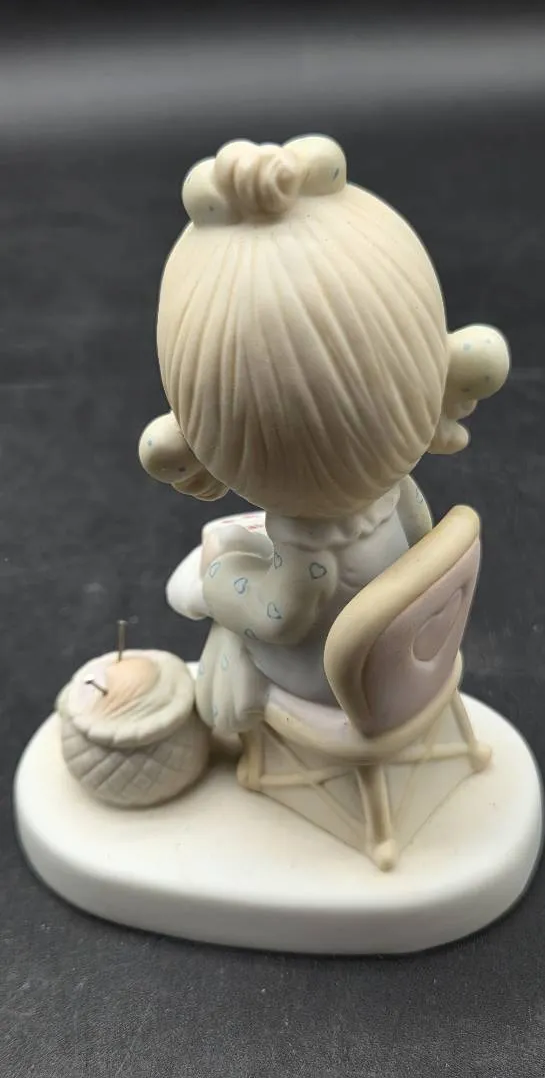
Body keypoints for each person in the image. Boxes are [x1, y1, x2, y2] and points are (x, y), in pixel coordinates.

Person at [139, 135, 509, 733]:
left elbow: (277, 617)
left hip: (335, 681)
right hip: (410, 657)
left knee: (214, 577)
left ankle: (233, 675)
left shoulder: (310, 563)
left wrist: (213, 583)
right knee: (234, 547)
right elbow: (422, 541)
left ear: (196, 444)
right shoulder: (401, 495)